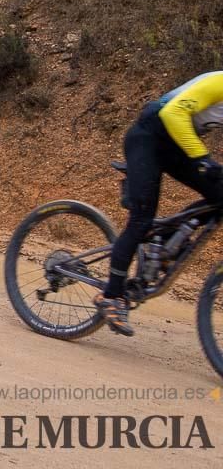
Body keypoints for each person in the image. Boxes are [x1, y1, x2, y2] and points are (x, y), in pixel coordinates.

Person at [95, 73, 223, 336]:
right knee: (141, 219)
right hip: (149, 136)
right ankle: (111, 295)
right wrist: (204, 160)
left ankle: (168, 240)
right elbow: (174, 113)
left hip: (177, 144)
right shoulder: (220, 83)